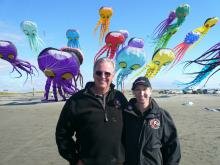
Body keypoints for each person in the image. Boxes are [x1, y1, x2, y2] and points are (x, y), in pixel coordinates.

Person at [55, 57, 128, 165]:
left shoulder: (119, 98)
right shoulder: (76, 100)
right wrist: (75, 159)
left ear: (113, 76)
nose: (103, 77)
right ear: (93, 74)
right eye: (99, 73)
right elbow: (62, 134)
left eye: (107, 73)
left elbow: (131, 128)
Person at [122, 76, 181, 165]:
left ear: (150, 91)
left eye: (144, 89)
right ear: (133, 92)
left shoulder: (161, 115)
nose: (141, 93)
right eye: (137, 89)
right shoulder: (125, 114)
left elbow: (173, 145)